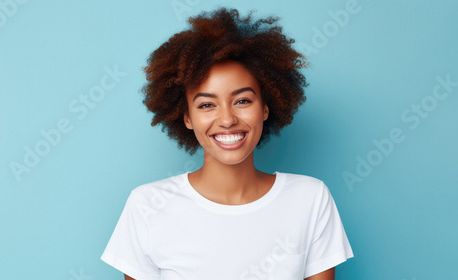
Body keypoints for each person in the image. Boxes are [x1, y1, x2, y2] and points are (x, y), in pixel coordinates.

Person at [101, 8, 353, 280]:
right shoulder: (147, 205)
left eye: (242, 101)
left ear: (265, 108)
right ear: (187, 117)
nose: (227, 119)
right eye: (207, 104)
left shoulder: (310, 199)